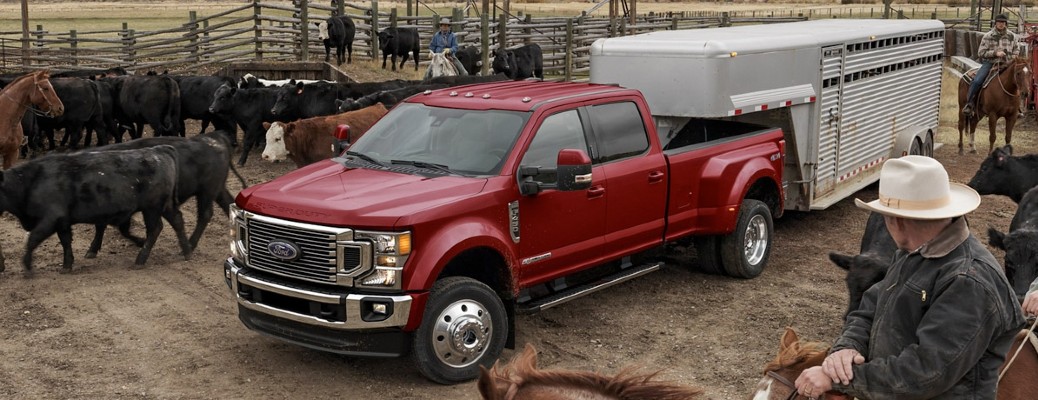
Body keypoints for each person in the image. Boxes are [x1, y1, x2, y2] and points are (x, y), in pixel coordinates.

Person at [794, 155, 1025, 399]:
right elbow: (872, 305)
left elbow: (925, 373)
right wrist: (847, 346)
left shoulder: (969, 281)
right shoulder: (914, 251)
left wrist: (839, 379)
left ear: (898, 222)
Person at [962, 14, 1019, 117]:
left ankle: (1016, 107)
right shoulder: (988, 36)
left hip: (1008, 63)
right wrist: (995, 53)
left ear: (1006, 23)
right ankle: (969, 104)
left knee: (1019, 80)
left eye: (1003, 22)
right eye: (999, 22)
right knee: (977, 80)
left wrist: (1014, 56)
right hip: (990, 63)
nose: (1001, 24)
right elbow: (981, 52)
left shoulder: (1012, 36)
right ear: (995, 23)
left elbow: (1016, 49)